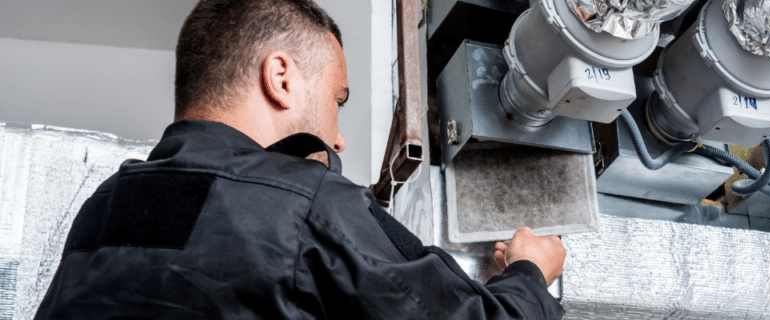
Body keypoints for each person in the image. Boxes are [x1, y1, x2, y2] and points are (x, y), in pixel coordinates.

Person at [34, 0, 566, 318]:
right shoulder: (299, 201)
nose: (337, 140)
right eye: (336, 102)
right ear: (281, 77)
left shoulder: (102, 210)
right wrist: (529, 272)